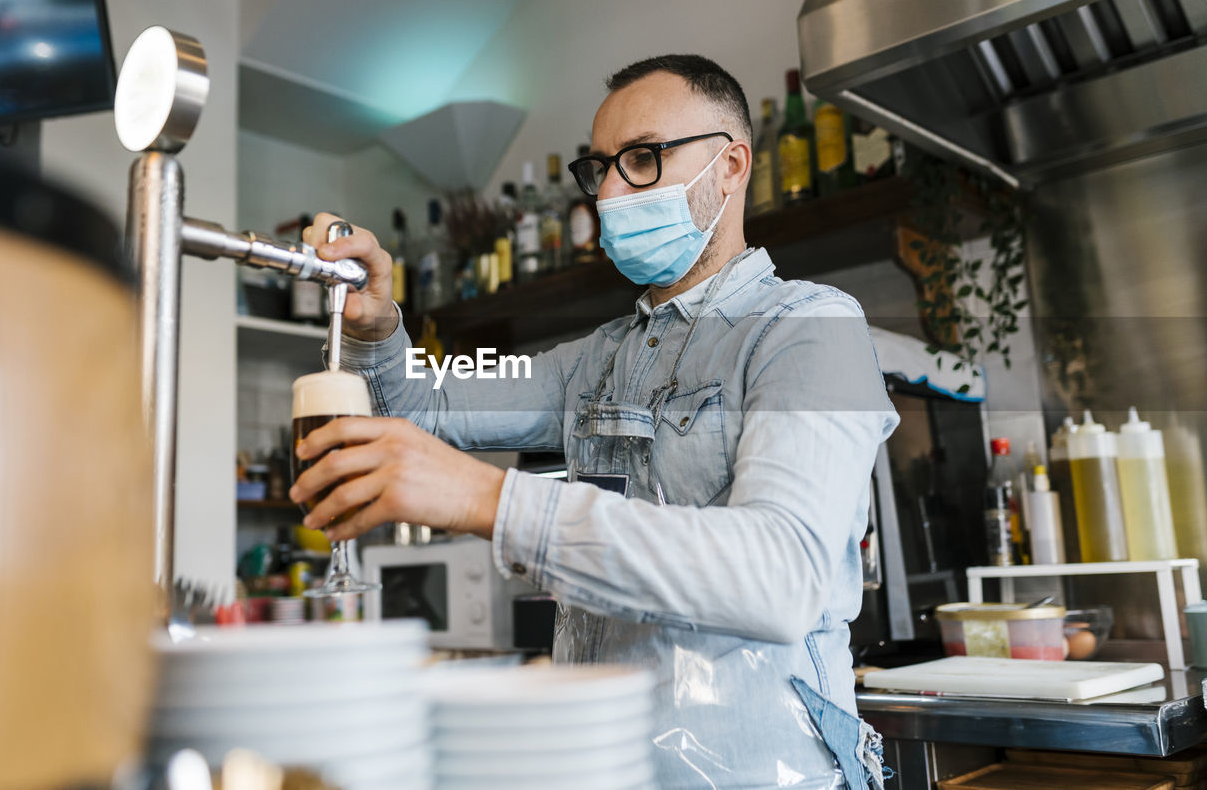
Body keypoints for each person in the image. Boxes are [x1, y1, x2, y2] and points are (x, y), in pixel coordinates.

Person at [292, 54, 899, 789]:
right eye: (600, 168)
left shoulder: (812, 327)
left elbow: (780, 574)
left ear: (731, 166)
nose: (610, 192)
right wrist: (376, 320)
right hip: (600, 768)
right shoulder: (586, 363)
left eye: (641, 160)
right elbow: (425, 399)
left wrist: (490, 499)